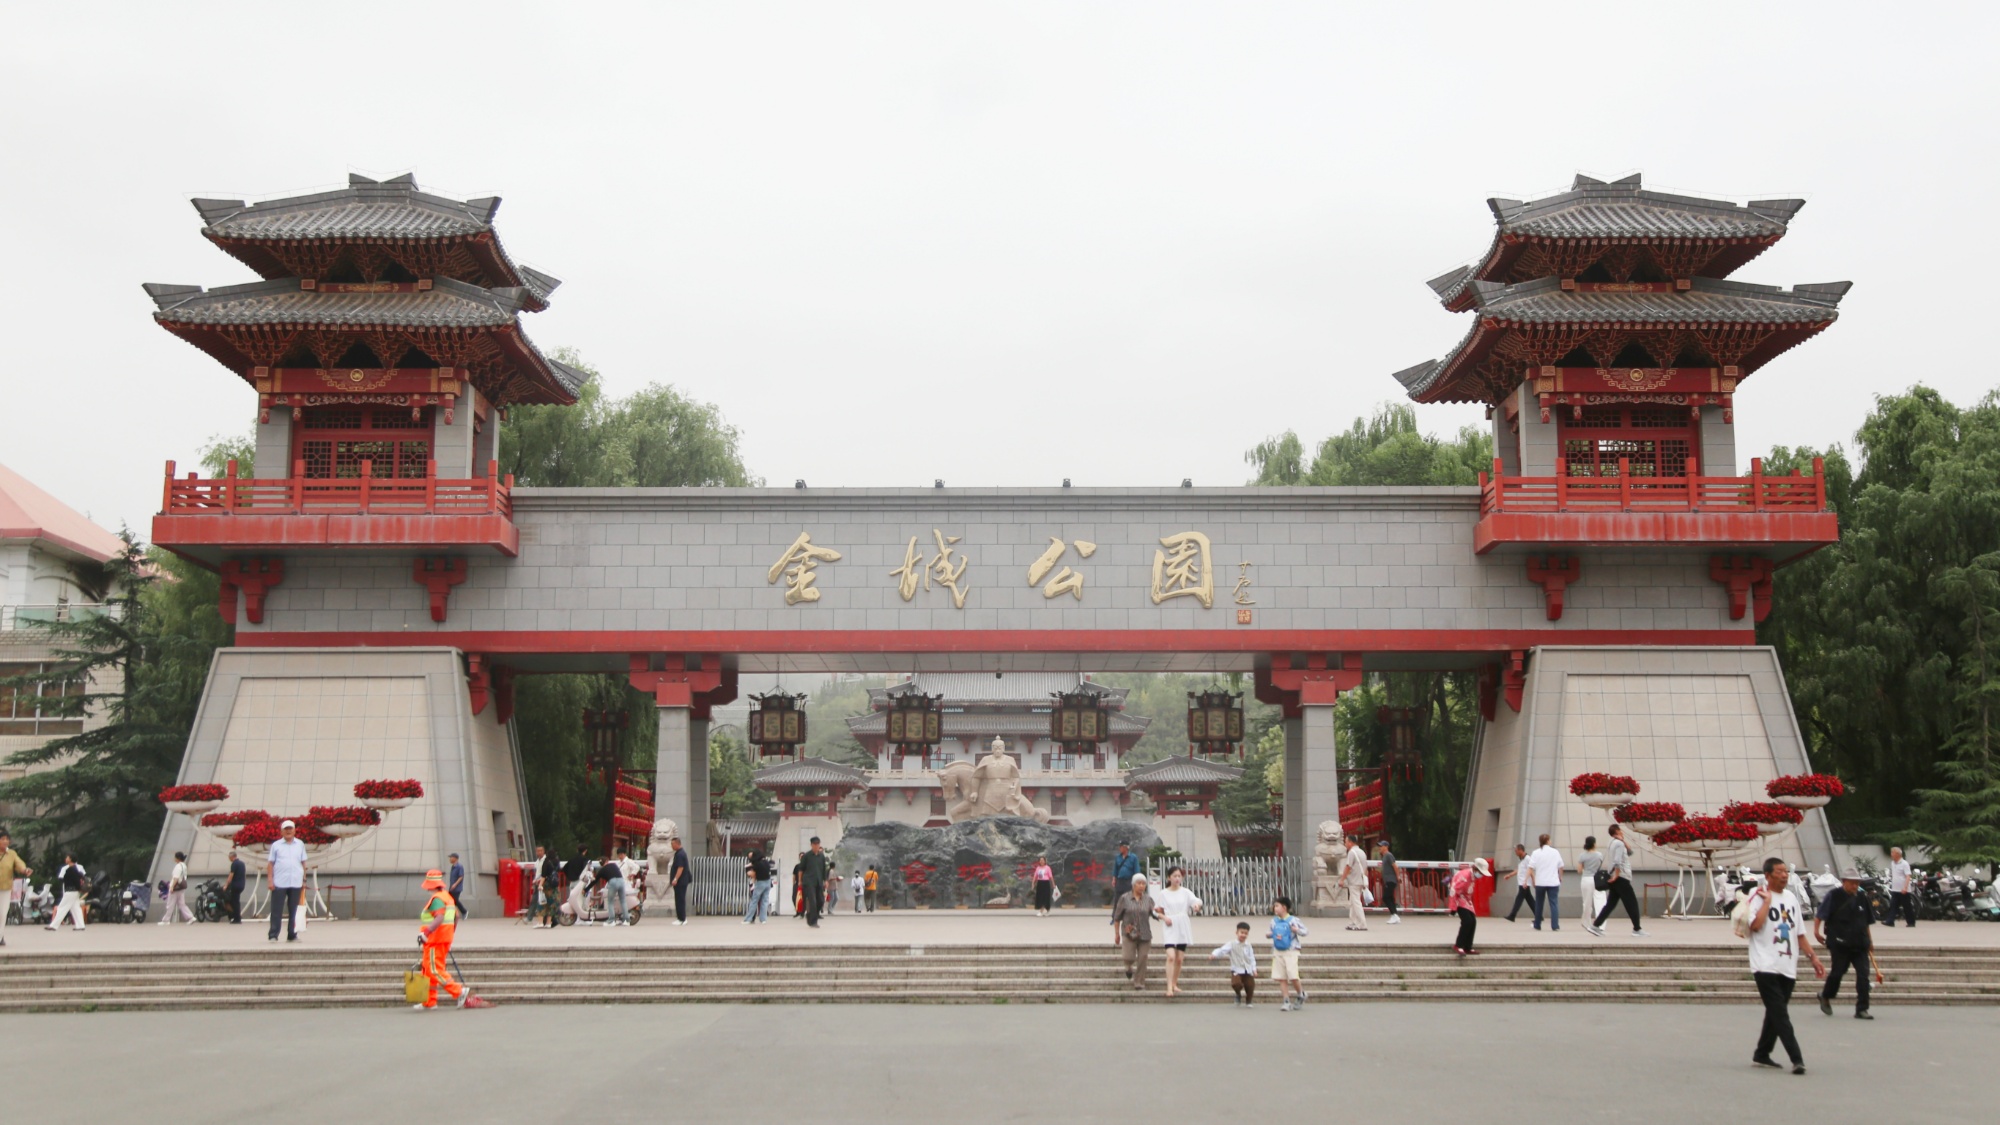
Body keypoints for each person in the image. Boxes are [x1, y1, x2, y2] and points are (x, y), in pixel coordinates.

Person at [1744, 857, 1826, 1074]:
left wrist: (1813, 958)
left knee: (1775, 1012)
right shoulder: (1757, 895)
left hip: (1787, 964)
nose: (1784, 875)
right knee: (1780, 1014)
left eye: (1785, 871)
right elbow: (1754, 926)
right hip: (1764, 964)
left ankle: (1762, 1053)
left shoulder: (1791, 898)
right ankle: (1797, 1059)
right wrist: (1767, 902)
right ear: (1768, 875)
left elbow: (1799, 933)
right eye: (1779, 872)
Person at [414, 868, 489, 1010]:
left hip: (434, 940)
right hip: (443, 938)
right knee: (428, 971)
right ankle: (429, 1002)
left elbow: (439, 917)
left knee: (434, 969)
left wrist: (426, 933)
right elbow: (456, 917)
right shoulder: (447, 897)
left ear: (430, 885)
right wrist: (449, 934)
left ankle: (459, 991)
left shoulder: (437, 899)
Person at [1814, 867, 1882, 1020]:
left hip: (1860, 943)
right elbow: (1820, 915)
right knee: (1838, 972)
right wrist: (1816, 932)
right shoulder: (1834, 895)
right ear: (1844, 882)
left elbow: (1866, 922)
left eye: (1857, 883)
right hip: (1839, 943)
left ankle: (1862, 1009)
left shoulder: (1862, 897)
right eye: (1852, 883)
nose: (1855, 886)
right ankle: (1826, 995)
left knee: (1863, 975)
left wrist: (1870, 941)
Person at [1585, 824, 1648, 937]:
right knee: (1631, 903)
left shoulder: (1612, 842)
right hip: (1621, 877)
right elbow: (1617, 861)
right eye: (1620, 830)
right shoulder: (1618, 844)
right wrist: (1617, 875)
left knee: (1611, 904)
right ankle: (1637, 929)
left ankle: (1595, 925)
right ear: (1617, 831)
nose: (1622, 831)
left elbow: (1630, 852)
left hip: (1616, 877)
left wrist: (1623, 840)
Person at [1152, 866, 1203, 997]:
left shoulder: (1185, 892)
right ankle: (1169, 987)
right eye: (1174, 876)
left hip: (1182, 925)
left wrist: (1196, 906)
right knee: (1171, 956)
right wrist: (1164, 917)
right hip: (1170, 924)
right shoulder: (1163, 893)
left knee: (1179, 959)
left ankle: (1175, 983)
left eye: (1179, 876)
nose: (1177, 878)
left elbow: (1197, 901)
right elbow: (1155, 911)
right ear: (1169, 878)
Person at [1111, 873, 1155, 990]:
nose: (1141, 886)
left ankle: (1139, 982)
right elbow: (1117, 917)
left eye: (1143, 884)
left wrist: (1162, 914)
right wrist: (1117, 934)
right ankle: (1128, 967)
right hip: (1129, 933)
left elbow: (1154, 912)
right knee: (1128, 957)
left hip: (1145, 933)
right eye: (1139, 883)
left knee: (1143, 958)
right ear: (1133, 885)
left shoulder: (1148, 899)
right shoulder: (1124, 898)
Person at [267, 819, 307, 942]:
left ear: (294, 831)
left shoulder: (300, 844)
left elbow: (303, 862)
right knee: (276, 910)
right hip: (280, 882)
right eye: (286, 829)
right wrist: (270, 880)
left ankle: (292, 934)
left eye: (290, 829)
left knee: (294, 910)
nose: (288, 831)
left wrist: (304, 880)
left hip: (296, 882)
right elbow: (270, 863)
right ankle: (273, 934)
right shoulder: (276, 845)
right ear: (281, 831)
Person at [1268, 895, 1309, 1010]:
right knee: (1281, 977)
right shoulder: (1273, 921)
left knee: (1293, 975)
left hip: (1291, 950)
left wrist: (1297, 930)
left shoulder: (1293, 920)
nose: (1275, 908)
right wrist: (1269, 934)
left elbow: (1305, 932)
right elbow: (1271, 932)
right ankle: (1286, 1001)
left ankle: (1301, 993)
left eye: (1277, 906)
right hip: (1278, 950)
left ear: (1284, 907)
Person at [1209, 920, 1258, 1006]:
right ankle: (1238, 994)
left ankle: (1248, 1001)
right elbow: (1222, 950)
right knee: (1236, 983)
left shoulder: (1248, 945)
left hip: (1247, 969)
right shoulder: (1232, 944)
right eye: (1241, 933)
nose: (1243, 935)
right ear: (1237, 932)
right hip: (1236, 969)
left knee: (1250, 985)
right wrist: (1214, 954)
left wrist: (1254, 969)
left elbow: (1251, 958)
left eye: (1246, 933)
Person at [1449, 858, 1488, 956]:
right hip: (1458, 899)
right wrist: (1453, 907)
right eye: (1480, 872)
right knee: (1467, 921)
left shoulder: (1472, 876)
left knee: (1473, 921)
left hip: (1466, 899)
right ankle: (1459, 945)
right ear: (1475, 868)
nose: (1481, 875)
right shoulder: (1465, 876)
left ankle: (1468, 946)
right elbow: (1454, 890)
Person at [1, 828, 32, 945]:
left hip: (5, 888)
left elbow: (19, 863)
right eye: (2, 839)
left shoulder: (12, 854)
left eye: (7, 839)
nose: (5, 841)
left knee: (3, 913)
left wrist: (25, 870)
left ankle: (0, 936)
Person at [1526, 834, 1563, 931]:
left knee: (1539, 904)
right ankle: (1555, 925)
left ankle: (1537, 924)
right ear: (1548, 841)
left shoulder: (1536, 853)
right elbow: (1561, 866)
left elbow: (1530, 868)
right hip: (1553, 882)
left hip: (1540, 882)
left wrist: (1526, 880)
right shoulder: (1555, 852)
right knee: (1554, 904)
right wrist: (1560, 877)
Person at [48, 853, 87, 931]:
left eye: (67, 858)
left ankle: (53, 926)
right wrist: (79, 888)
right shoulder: (74, 868)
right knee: (75, 908)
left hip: (70, 891)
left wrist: (79, 888)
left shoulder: (70, 869)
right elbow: (80, 876)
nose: (66, 859)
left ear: (71, 859)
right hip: (74, 891)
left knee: (62, 908)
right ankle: (80, 925)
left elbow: (75, 880)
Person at [1339, 833, 1369, 930]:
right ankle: (1352, 922)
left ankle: (1362, 923)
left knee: (1356, 903)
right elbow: (1365, 868)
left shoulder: (1352, 852)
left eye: (1346, 842)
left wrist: (1342, 879)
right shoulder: (1362, 852)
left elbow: (1348, 867)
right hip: (1360, 880)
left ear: (1350, 843)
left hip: (1354, 881)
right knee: (1352, 902)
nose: (1345, 844)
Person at [1575, 836, 1605, 929]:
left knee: (1587, 902)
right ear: (1594, 844)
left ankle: (1586, 922)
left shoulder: (1582, 856)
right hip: (1597, 879)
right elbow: (1599, 867)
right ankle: (1600, 924)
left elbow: (1579, 870)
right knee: (1600, 901)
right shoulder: (1599, 855)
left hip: (1586, 879)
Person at [801, 837, 830, 928]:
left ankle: (810, 915)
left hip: (819, 881)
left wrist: (825, 880)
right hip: (809, 882)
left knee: (821, 901)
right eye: (815, 844)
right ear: (811, 845)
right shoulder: (806, 856)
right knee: (813, 901)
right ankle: (813, 922)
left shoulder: (821, 856)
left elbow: (824, 869)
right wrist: (800, 881)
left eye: (818, 844)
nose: (816, 846)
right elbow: (801, 869)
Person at [159, 850, 195, 924]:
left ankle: (166, 920)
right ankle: (191, 917)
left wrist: (172, 886)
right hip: (181, 887)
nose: (174, 859)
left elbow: (176, 878)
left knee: (170, 904)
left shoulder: (178, 866)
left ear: (178, 858)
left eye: (175, 857)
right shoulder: (184, 865)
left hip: (176, 887)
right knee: (182, 904)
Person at [1502, 843, 1533, 923]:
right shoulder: (1521, 859)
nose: (1515, 852)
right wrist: (1509, 875)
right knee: (1530, 900)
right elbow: (1518, 870)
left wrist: (1533, 881)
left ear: (1520, 850)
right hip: (1522, 883)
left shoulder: (1528, 859)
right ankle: (1539, 916)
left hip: (1524, 883)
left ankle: (1512, 916)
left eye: (1516, 851)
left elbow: (1531, 870)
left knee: (1519, 899)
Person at [1886, 847, 1916, 927]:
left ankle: (1911, 922)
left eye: (1892, 853)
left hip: (1903, 890)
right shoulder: (1892, 863)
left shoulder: (1904, 863)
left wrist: (1905, 887)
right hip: (1895, 889)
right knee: (1893, 905)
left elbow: (1908, 876)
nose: (1891, 854)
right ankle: (1890, 921)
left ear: (1898, 854)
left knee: (1907, 906)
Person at [743, 849, 773, 924]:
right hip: (768, 882)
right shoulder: (766, 862)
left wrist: (748, 872)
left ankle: (748, 919)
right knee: (764, 901)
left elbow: (752, 874)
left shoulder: (757, 863)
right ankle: (763, 919)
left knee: (754, 901)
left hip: (760, 883)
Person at [668, 835, 693, 925]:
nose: (671, 846)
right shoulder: (679, 853)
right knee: (678, 899)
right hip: (681, 881)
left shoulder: (680, 854)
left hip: (681, 881)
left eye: (672, 844)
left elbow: (680, 868)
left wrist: (675, 879)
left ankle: (682, 919)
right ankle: (680, 918)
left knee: (680, 900)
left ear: (677, 844)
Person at [1375, 839, 1401, 924]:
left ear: (1386, 847)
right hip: (1388, 880)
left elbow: (1395, 866)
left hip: (1391, 880)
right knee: (1390, 898)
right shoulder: (1384, 856)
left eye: (1381, 846)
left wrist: (1398, 876)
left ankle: (1394, 915)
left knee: (1385, 897)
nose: (1379, 848)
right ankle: (1395, 916)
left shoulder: (1388, 855)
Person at [603, 848, 630, 927]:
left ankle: (612, 920)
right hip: (621, 881)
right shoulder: (617, 863)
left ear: (624, 854)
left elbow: (636, 867)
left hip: (623, 882)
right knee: (622, 901)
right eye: (619, 855)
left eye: (621, 854)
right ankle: (626, 919)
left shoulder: (628, 861)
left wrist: (632, 874)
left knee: (611, 901)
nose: (620, 856)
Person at [1111, 843, 1141, 913]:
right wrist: (1114, 879)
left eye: (1121, 847)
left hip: (1129, 881)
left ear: (1126, 848)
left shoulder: (1133, 857)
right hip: (1120, 881)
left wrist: (1136, 882)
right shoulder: (1118, 857)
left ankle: (1129, 914)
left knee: (1129, 898)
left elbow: (1136, 870)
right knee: (1118, 898)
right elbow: (1115, 869)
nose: (1120, 848)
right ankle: (1116, 915)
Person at [223, 850, 246, 924]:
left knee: (234, 902)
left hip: (235, 885)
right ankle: (237, 917)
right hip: (242, 885)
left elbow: (231, 875)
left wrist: (226, 885)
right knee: (236, 901)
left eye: (229, 857)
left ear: (231, 857)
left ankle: (237, 918)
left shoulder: (234, 864)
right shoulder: (242, 863)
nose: (229, 859)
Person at [447, 853, 468, 919]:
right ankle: (454, 914)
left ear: (455, 858)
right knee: (451, 901)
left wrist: (455, 884)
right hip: (452, 888)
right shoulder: (453, 867)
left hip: (457, 888)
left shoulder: (459, 866)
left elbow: (461, 877)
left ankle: (464, 912)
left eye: (451, 857)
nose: (450, 859)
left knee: (455, 900)